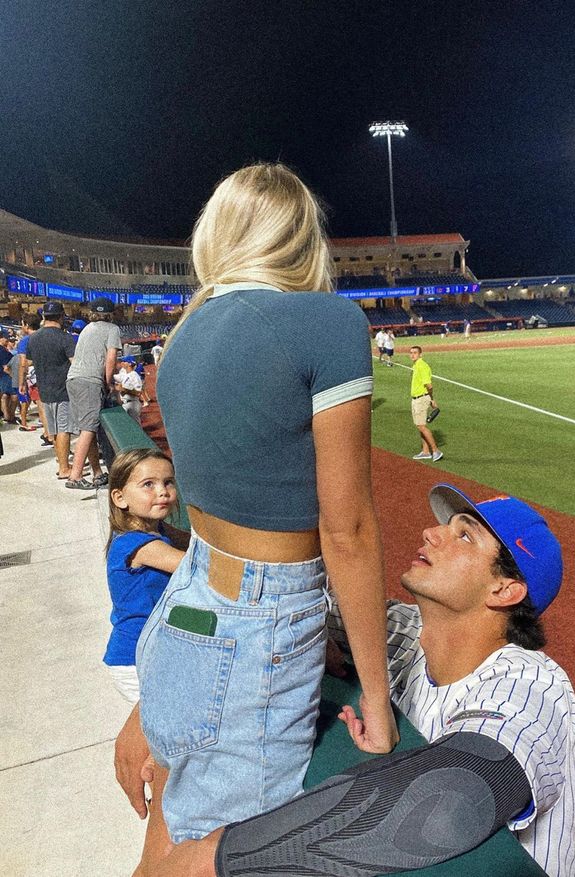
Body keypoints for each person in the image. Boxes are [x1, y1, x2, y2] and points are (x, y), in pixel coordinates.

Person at [118, 162, 398, 873]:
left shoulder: (183, 336)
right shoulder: (327, 321)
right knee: (220, 857)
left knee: (174, 834)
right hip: (257, 623)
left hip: (193, 604)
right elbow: (348, 530)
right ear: (302, 238)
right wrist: (376, 693)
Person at [133, 482, 575, 877]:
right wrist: (147, 716)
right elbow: (251, 621)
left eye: (464, 535)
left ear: (505, 590)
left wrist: (218, 858)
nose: (432, 533)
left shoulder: (533, 685)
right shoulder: (398, 630)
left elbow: (455, 796)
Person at [104, 448, 187, 704]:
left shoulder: (157, 529)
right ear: (120, 498)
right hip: (135, 660)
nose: (162, 491)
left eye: (168, 482)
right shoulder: (137, 545)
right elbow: (196, 564)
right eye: (148, 484)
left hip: (153, 652)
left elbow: (199, 542)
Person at [65, 297, 122, 489]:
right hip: (90, 380)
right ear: (110, 313)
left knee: (85, 428)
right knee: (89, 428)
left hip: (73, 379)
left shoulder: (87, 328)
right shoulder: (112, 329)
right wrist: (108, 383)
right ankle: (75, 476)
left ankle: (97, 472)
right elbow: (111, 357)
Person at [22, 302, 78, 480]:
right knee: (64, 429)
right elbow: (75, 364)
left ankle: (60, 461)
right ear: (61, 316)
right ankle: (63, 467)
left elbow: (28, 362)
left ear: (44, 317)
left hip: (44, 390)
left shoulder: (33, 338)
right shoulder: (65, 338)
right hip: (63, 390)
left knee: (54, 429)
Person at [409, 345, 442, 462]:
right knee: (420, 425)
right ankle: (426, 452)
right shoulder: (416, 365)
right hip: (417, 399)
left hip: (421, 399)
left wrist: (431, 399)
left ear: (420, 354)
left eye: (415, 353)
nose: (412, 355)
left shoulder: (422, 366)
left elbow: (429, 385)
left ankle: (436, 451)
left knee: (421, 426)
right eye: (411, 353)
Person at [114, 357, 144, 424]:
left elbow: (139, 393)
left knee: (135, 427)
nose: (122, 363)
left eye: (124, 362)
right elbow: (114, 377)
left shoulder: (135, 375)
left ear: (129, 364)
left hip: (132, 404)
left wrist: (125, 390)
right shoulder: (126, 375)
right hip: (125, 404)